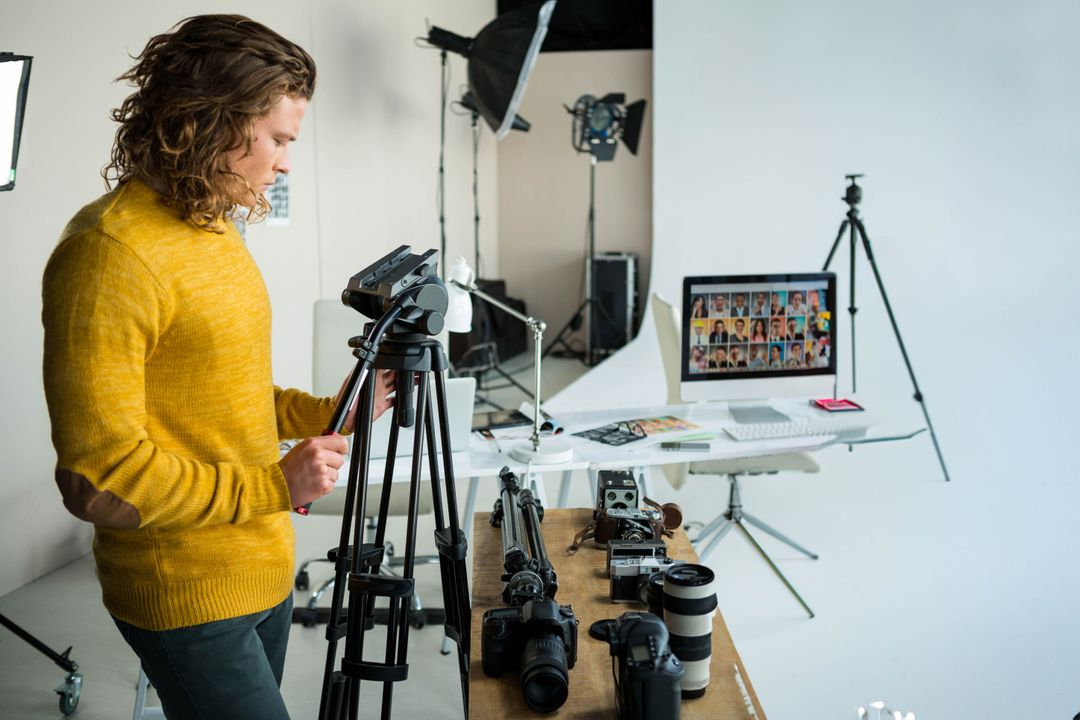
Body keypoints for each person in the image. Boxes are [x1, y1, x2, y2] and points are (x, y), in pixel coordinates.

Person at [40, 16, 397, 719]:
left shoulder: (211, 224)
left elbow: (221, 391)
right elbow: (97, 478)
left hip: (262, 566)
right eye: (280, 140)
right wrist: (273, 483)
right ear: (213, 122)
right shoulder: (107, 253)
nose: (286, 163)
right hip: (184, 591)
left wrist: (330, 413)